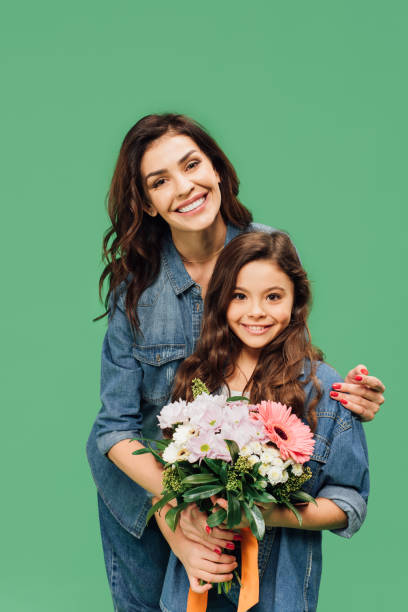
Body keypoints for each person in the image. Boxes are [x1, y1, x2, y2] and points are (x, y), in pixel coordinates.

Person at [86, 113, 384, 612]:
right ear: (147, 203)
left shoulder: (265, 248)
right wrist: (176, 514)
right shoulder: (135, 292)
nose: (184, 187)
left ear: (217, 167)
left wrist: (348, 399)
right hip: (143, 493)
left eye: (192, 164)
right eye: (160, 181)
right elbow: (113, 428)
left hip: (239, 496)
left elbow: (287, 352)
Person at [160, 231, 369, 612]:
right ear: (220, 299)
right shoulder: (195, 379)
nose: (256, 311)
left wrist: (266, 512)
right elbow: (166, 481)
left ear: (296, 301)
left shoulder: (322, 390)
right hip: (195, 586)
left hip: (278, 595)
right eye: (240, 296)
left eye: (273, 296)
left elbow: (350, 502)